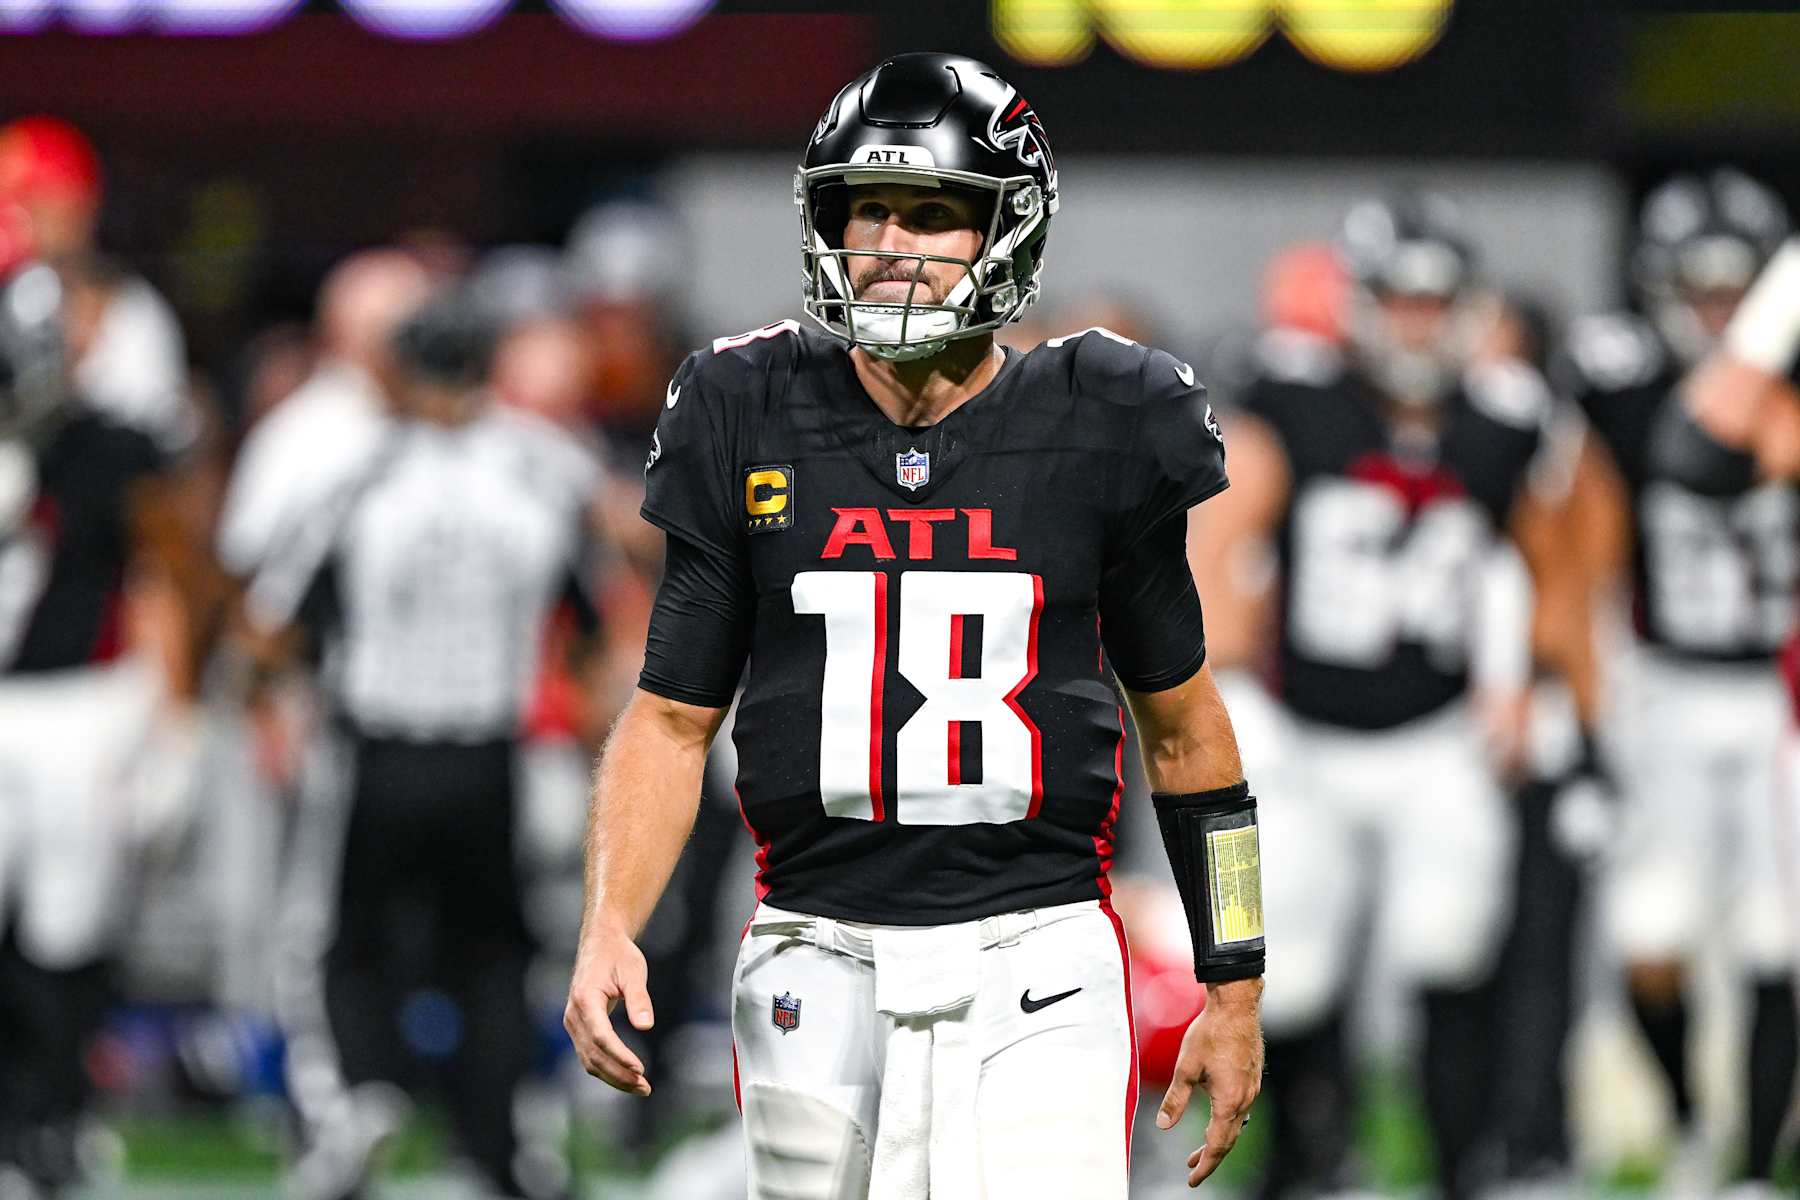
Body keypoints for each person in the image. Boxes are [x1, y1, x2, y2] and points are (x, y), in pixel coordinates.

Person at [563, 52, 1265, 1199]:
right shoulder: (747, 409)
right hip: (813, 950)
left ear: (1007, 231)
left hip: (1037, 951)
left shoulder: (1102, 417)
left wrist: (1235, 983)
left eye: (933, 214)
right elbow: (672, 719)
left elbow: (1186, 730)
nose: (892, 243)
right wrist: (608, 924)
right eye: (868, 209)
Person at [1192, 192, 1601, 1198]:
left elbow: (1559, 557)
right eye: (1400, 300)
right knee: (1289, 969)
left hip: (1439, 737)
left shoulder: (1506, 420)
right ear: (1359, 304)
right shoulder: (1293, 399)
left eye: (1435, 302)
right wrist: (1228, 690)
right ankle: (1299, 1167)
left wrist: (1537, 685)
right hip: (1304, 735)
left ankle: (1462, 1167)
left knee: (1450, 950)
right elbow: (1220, 541)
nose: (1418, 324)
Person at [249, 297, 606, 1200]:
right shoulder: (536, 471)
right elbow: (595, 620)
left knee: (347, 946)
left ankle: (361, 1099)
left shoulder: (359, 470)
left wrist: (272, 699)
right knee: (494, 953)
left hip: (381, 748)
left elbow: (274, 618)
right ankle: (500, 1141)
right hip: (491, 753)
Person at [0, 261, 196, 1195]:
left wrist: (174, 718)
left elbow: (163, 573)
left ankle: (52, 1117)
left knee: (67, 927)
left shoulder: (113, 446)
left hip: (78, 705)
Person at [1645, 205, 1800, 1193]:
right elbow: (1697, 451)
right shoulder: (1639, 383)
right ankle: (1704, 1135)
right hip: (1685, 688)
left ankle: (1749, 1163)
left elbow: (1708, 443)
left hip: (1776, 702)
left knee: (1777, 940)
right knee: (1659, 935)